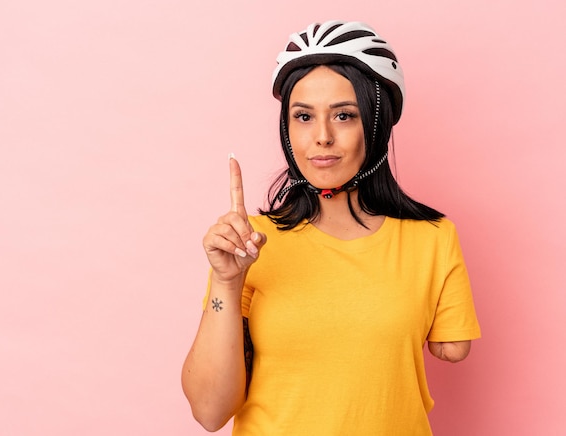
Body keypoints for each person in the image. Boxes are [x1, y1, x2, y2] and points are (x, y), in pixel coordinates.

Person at [182, 20, 481, 435]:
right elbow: (210, 413)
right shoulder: (248, 244)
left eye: (344, 115)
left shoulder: (432, 238)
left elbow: (452, 347)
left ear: (376, 126)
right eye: (303, 116)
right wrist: (226, 282)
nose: (321, 137)